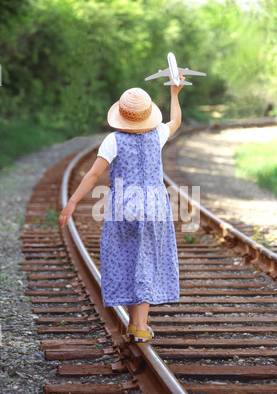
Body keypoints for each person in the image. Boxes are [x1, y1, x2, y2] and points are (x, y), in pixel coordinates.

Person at [58, 73, 185, 342]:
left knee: (127, 258)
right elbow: (176, 121)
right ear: (148, 114)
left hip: (122, 207)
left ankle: (134, 325)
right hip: (154, 206)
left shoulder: (113, 141)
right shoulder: (158, 134)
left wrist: (72, 202)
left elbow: (93, 175)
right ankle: (140, 324)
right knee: (147, 260)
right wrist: (174, 93)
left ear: (122, 115)